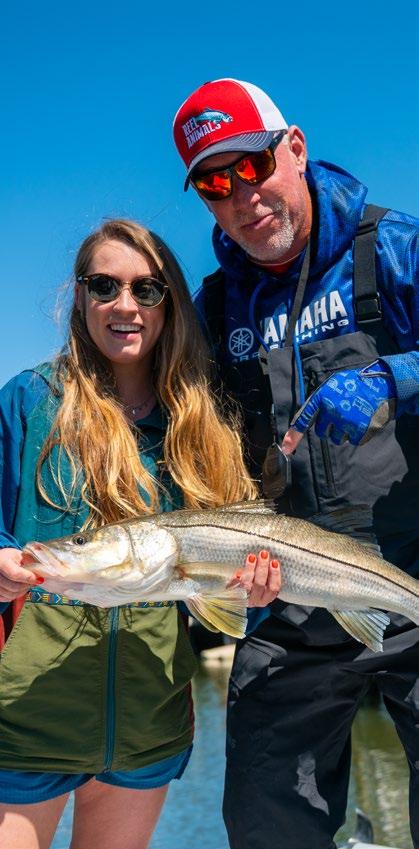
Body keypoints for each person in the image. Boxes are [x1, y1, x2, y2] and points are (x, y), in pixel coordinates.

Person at [173, 79, 419, 849]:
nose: (241, 196)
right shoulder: (216, 308)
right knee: (265, 823)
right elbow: (200, 450)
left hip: (411, 576)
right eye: (214, 185)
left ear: (295, 148)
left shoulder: (395, 249)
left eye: (250, 165)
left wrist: (394, 375)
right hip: (290, 601)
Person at [0, 218, 280, 849]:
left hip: (148, 725)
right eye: (104, 286)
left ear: (169, 303)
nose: (125, 305)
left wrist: (250, 594)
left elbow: (227, 589)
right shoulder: (27, 401)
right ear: (80, 297)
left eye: (146, 289)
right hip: (23, 719)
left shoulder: (201, 424)